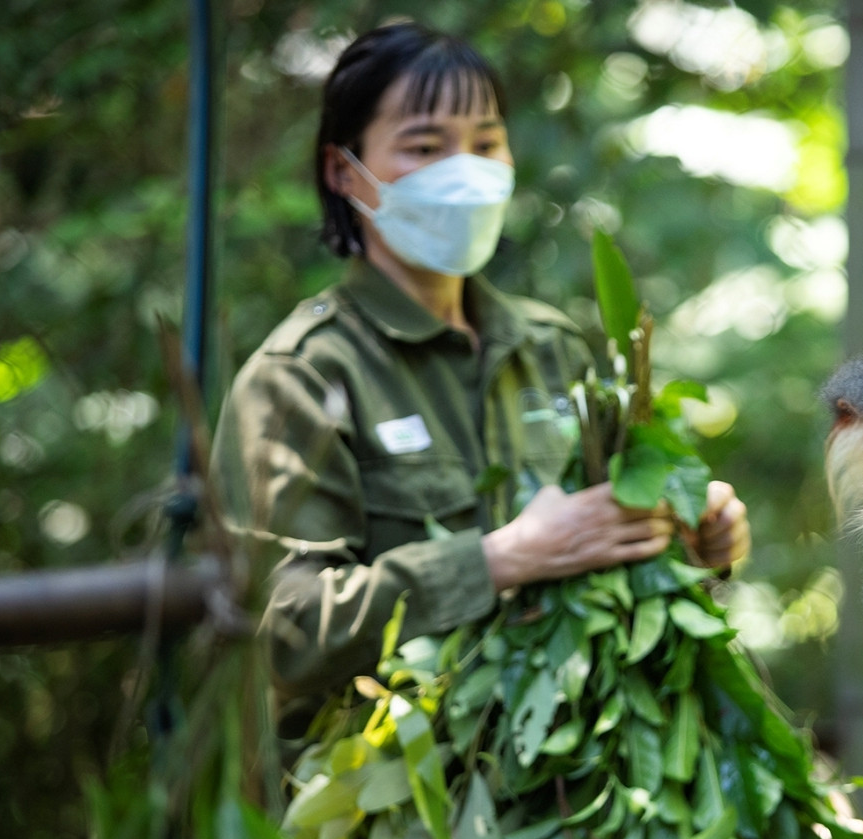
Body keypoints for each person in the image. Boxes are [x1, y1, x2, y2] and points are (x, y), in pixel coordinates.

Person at [210, 22, 751, 736]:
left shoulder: (554, 348)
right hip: (381, 804)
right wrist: (500, 559)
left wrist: (696, 543)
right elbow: (278, 632)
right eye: (425, 146)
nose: (462, 171)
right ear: (344, 171)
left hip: (566, 783)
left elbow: (615, 565)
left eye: (486, 143)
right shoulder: (302, 377)